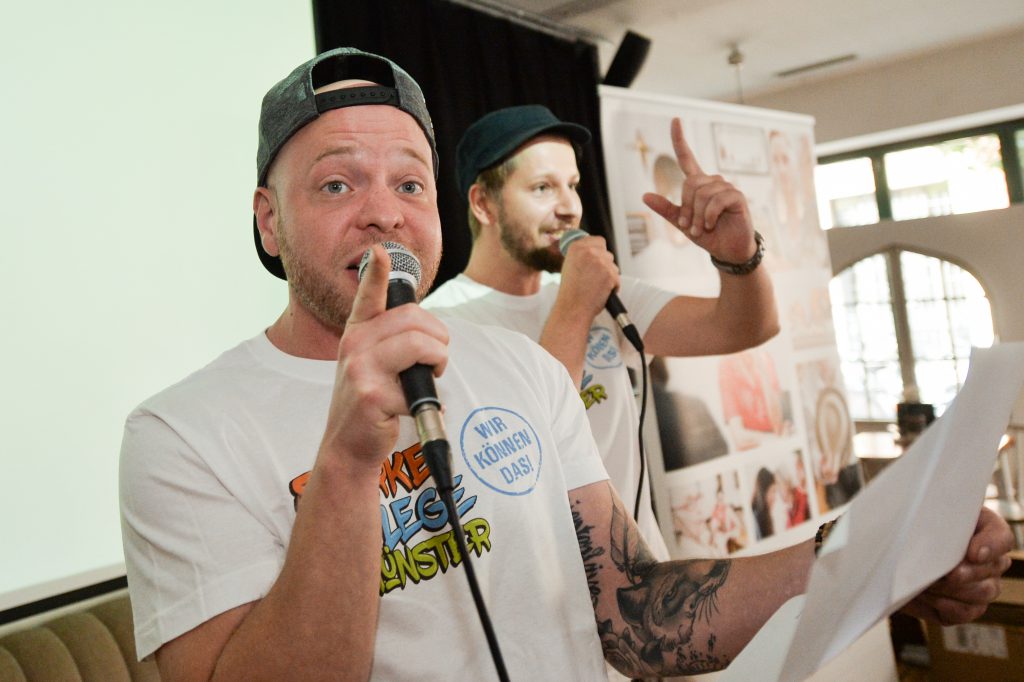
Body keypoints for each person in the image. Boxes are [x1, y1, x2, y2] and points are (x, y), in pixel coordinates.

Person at [119, 48, 1015, 681]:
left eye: (410, 182)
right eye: (336, 183)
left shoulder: (519, 368)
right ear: (268, 221)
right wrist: (351, 463)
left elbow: (635, 611)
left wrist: (874, 552)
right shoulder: (180, 434)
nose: (385, 213)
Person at [424, 104, 780, 561]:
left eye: (572, 185)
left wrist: (739, 256)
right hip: (555, 586)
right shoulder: (444, 324)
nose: (569, 207)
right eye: (542, 188)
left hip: (648, 578)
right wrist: (575, 307)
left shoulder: (601, 292)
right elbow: (528, 444)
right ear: (483, 204)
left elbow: (747, 327)